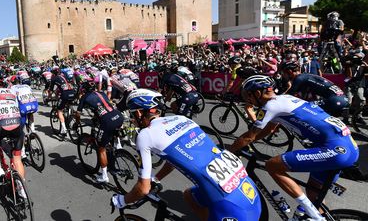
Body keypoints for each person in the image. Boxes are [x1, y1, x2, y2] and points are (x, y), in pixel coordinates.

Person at [111, 89, 261, 221]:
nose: (133, 120)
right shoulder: (182, 119)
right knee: (189, 196)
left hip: (230, 207)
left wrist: (122, 200)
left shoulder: (145, 134)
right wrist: (156, 178)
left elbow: (142, 189)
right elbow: (174, 159)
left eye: (132, 114)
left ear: (138, 112)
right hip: (249, 190)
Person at [229, 75, 359, 221]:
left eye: (248, 95)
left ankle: (317, 217)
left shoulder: (269, 106)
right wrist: (248, 142)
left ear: (258, 93)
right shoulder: (284, 99)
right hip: (349, 147)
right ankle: (321, 216)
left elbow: (249, 136)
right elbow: (269, 129)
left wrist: (229, 152)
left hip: (335, 149)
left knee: (272, 165)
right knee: (313, 193)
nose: (248, 100)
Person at [75, 79, 124, 183]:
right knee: (110, 138)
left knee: (101, 148)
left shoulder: (84, 97)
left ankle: (104, 176)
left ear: (84, 89)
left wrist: (77, 123)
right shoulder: (101, 93)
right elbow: (103, 106)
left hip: (107, 121)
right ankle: (116, 147)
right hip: (118, 116)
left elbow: (78, 114)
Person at [281, 62, 349, 119]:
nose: (284, 76)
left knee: (306, 110)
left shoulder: (299, 78)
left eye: (284, 73)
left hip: (334, 100)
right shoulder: (306, 76)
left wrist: (278, 98)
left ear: (289, 71)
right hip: (341, 98)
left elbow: (290, 94)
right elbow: (304, 96)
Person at [49, 66, 76, 136]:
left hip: (65, 94)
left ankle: (64, 129)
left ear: (53, 72)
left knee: (59, 110)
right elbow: (62, 86)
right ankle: (71, 118)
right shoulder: (63, 76)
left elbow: (51, 90)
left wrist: (49, 97)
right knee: (68, 105)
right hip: (72, 92)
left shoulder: (54, 78)